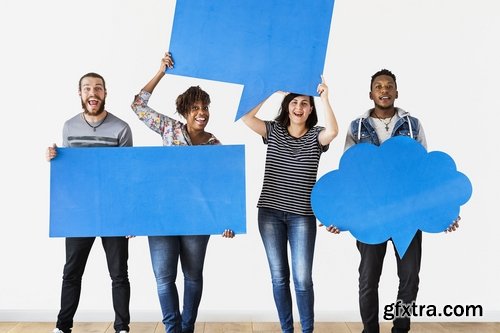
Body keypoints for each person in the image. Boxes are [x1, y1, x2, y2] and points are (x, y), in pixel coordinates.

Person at [340, 69, 460, 333]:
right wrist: (344, 213)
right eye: (379, 86)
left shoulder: (412, 125)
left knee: (409, 278)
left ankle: (400, 328)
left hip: (408, 214)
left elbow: (424, 172)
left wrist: (444, 210)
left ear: (396, 92)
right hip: (371, 215)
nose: (384, 90)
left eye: (389, 86)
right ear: (371, 93)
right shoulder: (356, 127)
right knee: (368, 279)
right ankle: (369, 329)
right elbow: (351, 174)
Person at [131, 52, 234, 333]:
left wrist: (228, 219)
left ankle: (187, 327)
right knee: (164, 278)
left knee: (192, 276)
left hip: (196, 219)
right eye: (195, 108)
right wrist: (161, 71)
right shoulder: (169, 128)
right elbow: (138, 105)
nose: (201, 113)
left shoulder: (215, 145)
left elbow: (223, 187)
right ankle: (171, 328)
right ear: (184, 111)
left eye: (205, 107)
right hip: (163, 215)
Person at [241, 77, 339, 333]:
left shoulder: (317, 136)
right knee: (279, 277)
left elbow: (334, 132)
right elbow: (247, 118)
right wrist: (270, 90)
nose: (298, 107)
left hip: (302, 217)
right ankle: (287, 330)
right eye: (294, 102)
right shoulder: (273, 130)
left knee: (303, 279)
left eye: (304, 103)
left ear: (310, 109)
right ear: (287, 106)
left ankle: (307, 330)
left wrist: (325, 98)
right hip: (270, 213)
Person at [46, 72, 133, 333]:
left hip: (113, 213)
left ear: (105, 93)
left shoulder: (121, 128)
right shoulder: (69, 127)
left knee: (119, 275)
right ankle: (63, 327)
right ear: (80, 94)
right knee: (71, 272)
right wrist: (54, 157)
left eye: (98, 89)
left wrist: (129, 217)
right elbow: (71, 172)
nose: (92, 93)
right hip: (79, 213)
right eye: (87, 89)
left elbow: (127, 175)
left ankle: (121, 328)